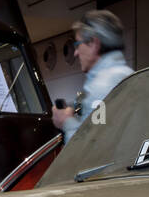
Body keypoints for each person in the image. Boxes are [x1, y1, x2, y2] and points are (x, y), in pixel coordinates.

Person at [52, 10, 134, 144]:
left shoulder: (100, 88)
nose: (76, 53)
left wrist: (66, 122)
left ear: (93, 44)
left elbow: (89, 150)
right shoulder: (128, 75)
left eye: (78, 44)